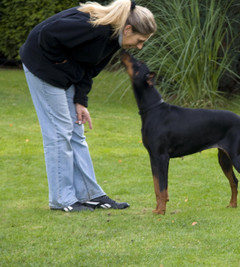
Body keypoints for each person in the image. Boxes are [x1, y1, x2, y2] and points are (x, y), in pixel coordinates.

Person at [20, 0, 157, 212]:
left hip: (62, 76)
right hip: (42, 68)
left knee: (76, 130)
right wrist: (61, 64)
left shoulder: (112, 39)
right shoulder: (96, 29)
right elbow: (47, 34)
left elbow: (88, 68)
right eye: (140, 40)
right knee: (59, 133)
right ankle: (61, 199)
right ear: (128, 29)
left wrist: (80, 101)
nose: (139, 47)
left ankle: (90, 194)